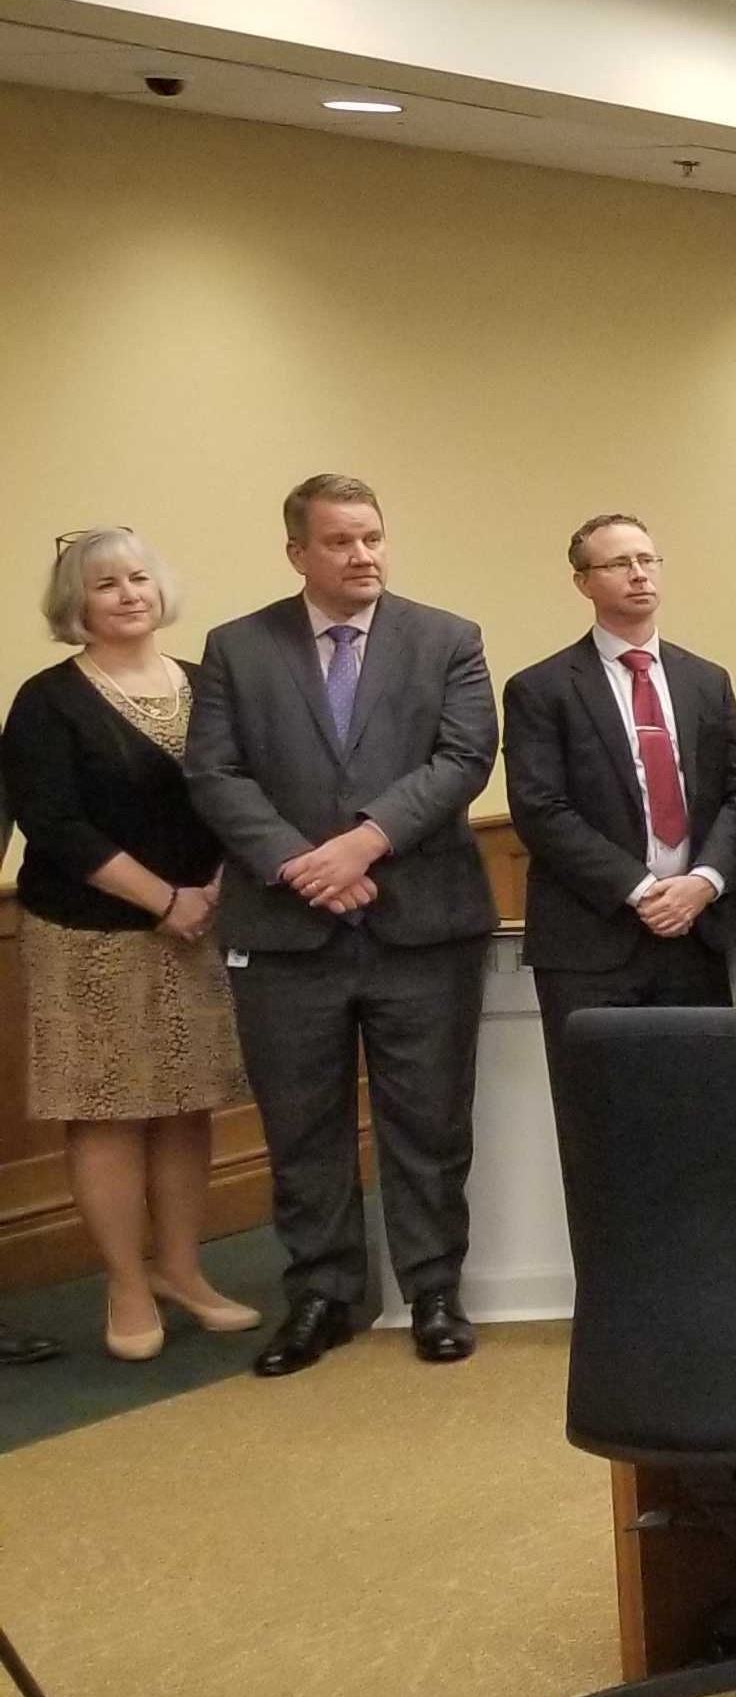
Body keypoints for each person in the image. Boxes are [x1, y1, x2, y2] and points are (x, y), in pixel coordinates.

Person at [185, 473, 499, 1377]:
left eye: (372, 538)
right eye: (339, 542)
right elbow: (215, 774)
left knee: (429, 1122)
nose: (362, 555)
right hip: (285, 933)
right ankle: (321, 1295)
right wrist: (299, 862)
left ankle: (434, 1289)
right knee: (302, 1126)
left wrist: (361, 845)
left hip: (423, 927)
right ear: (298, 554)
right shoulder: (237, 649)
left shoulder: (446, 639)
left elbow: (463, 758)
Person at [8, 530, 246, 1365]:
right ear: (77, 604)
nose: (127, 594)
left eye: (139, 577)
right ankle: (125, 1282)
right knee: (108, 1110)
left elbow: (239, 793)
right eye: (105, 583)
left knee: (187, 1104)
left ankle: (181, 1269)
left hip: (201, 923)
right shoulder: (47, 699)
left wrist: (208, 892)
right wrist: (162, 900)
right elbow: (54, 823)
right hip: (88, 935)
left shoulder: (206, 686)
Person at [500, 513, 736, 1047]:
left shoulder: (706, 681)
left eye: (647, 560)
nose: (639, 574)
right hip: (591, 940)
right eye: (619, 564)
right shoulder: (541, 688)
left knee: (701, 1105)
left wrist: (703, 883)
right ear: (583, 582)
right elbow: (539, 808)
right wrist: (641, 892)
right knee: (598, 1111)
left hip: (696, 933)